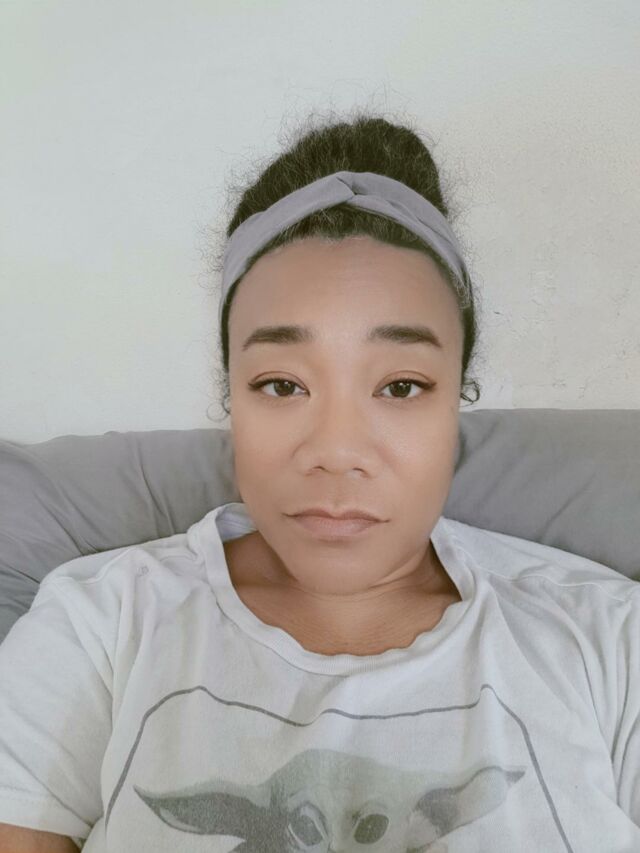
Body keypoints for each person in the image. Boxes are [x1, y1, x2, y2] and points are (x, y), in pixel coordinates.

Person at [1, 111, 639, 851]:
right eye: (281, 384)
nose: (337, 452)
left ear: (458, 399)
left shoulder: (609, 642)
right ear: (230, 396)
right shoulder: (97, 629)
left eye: (400, 386)